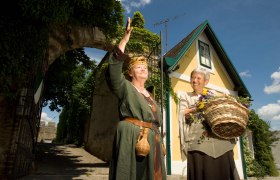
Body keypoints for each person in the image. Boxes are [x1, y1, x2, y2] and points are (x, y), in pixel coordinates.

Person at [107, 17, 167, 180]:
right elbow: (113, 70)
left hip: (152, 140)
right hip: (132, 137)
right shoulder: (124, 86)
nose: (143, 69)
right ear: (130, 73)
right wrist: (125, 39)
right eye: (138, 67)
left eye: (145, 67)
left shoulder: (150, 94)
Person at [178, 68, 240, 180]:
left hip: (219, 139)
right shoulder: (185, 96)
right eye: (193, 77)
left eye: (198, 78)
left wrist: (225, 99)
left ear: (205, 82)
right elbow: (183, 113)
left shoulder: (212, 94)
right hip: (197, 142)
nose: (194, 80)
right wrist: (199, 106)